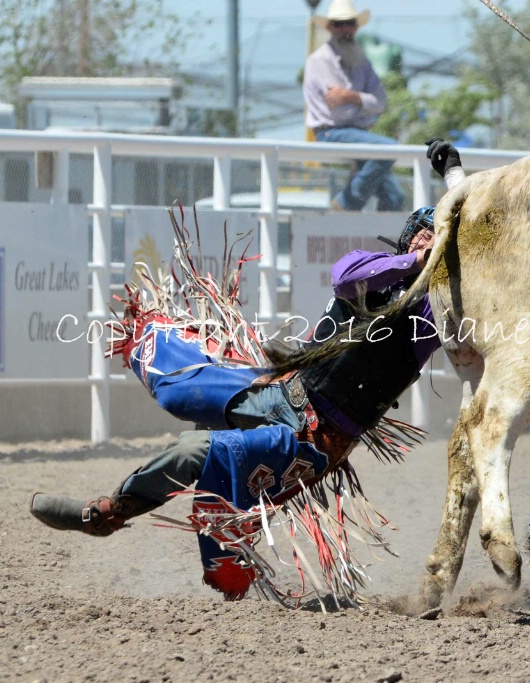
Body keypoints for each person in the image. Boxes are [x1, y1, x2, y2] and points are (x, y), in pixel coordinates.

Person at [29, 139, 466, 601]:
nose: (430, 238)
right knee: (179, 391)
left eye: (440, 236)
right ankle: (150, 342)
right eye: (425, 231)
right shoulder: (368, 269)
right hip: (278, 389)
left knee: (194, 450)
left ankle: (108, 512)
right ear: (408, 238)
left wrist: (454, 180)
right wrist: (416, 258)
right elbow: (346, 276)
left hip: (312, 439)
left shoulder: (435, 312)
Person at [303, 0, 404, 212]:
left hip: (357, 135)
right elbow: (339, 110)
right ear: (329, 27)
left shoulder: (362, 61)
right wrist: (363, 101)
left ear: (356, 26)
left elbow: (380, 103)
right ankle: (345, 203)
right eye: (338, 24)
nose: (344, 29)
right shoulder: (320, 60)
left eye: (348, 23)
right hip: (331, 133)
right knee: (388, 148)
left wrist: (351, 96)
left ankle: (385, 241)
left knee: (395, 196)